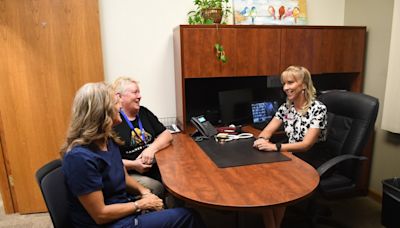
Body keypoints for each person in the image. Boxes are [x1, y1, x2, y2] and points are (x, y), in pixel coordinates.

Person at [61, 82, 204, 227]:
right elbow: (100, 215)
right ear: (102, 112)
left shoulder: (108, 140)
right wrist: (139, 204)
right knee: (188, 216)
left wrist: (144, 191)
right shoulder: (79, 158)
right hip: (110, 223)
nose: (120, 107)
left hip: (123, 209)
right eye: (116, 103)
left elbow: (123, 176)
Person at [252, 65, 328, 228]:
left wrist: (275, 147)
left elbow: (307, 145)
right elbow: (267, 130)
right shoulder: (287, 108)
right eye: (284, 83)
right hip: (291, 153)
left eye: (290, 82)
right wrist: (263, 139)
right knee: (263, 184)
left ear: (304, 85)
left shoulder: (318, 109)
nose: (285, 87)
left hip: (312, 157)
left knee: (277, 187)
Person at [112, 77, 173, 198]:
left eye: (139, 92)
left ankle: (177, 212)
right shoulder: (113, 121)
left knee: (174, 178)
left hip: (154, 166)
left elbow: (166, 135)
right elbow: (109, 161)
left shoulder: (143, 112)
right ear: (119, 96)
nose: (139, 96)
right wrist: (134, 164)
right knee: (157, 187)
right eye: (135, 92)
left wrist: (151, 149)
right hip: (130, 173)